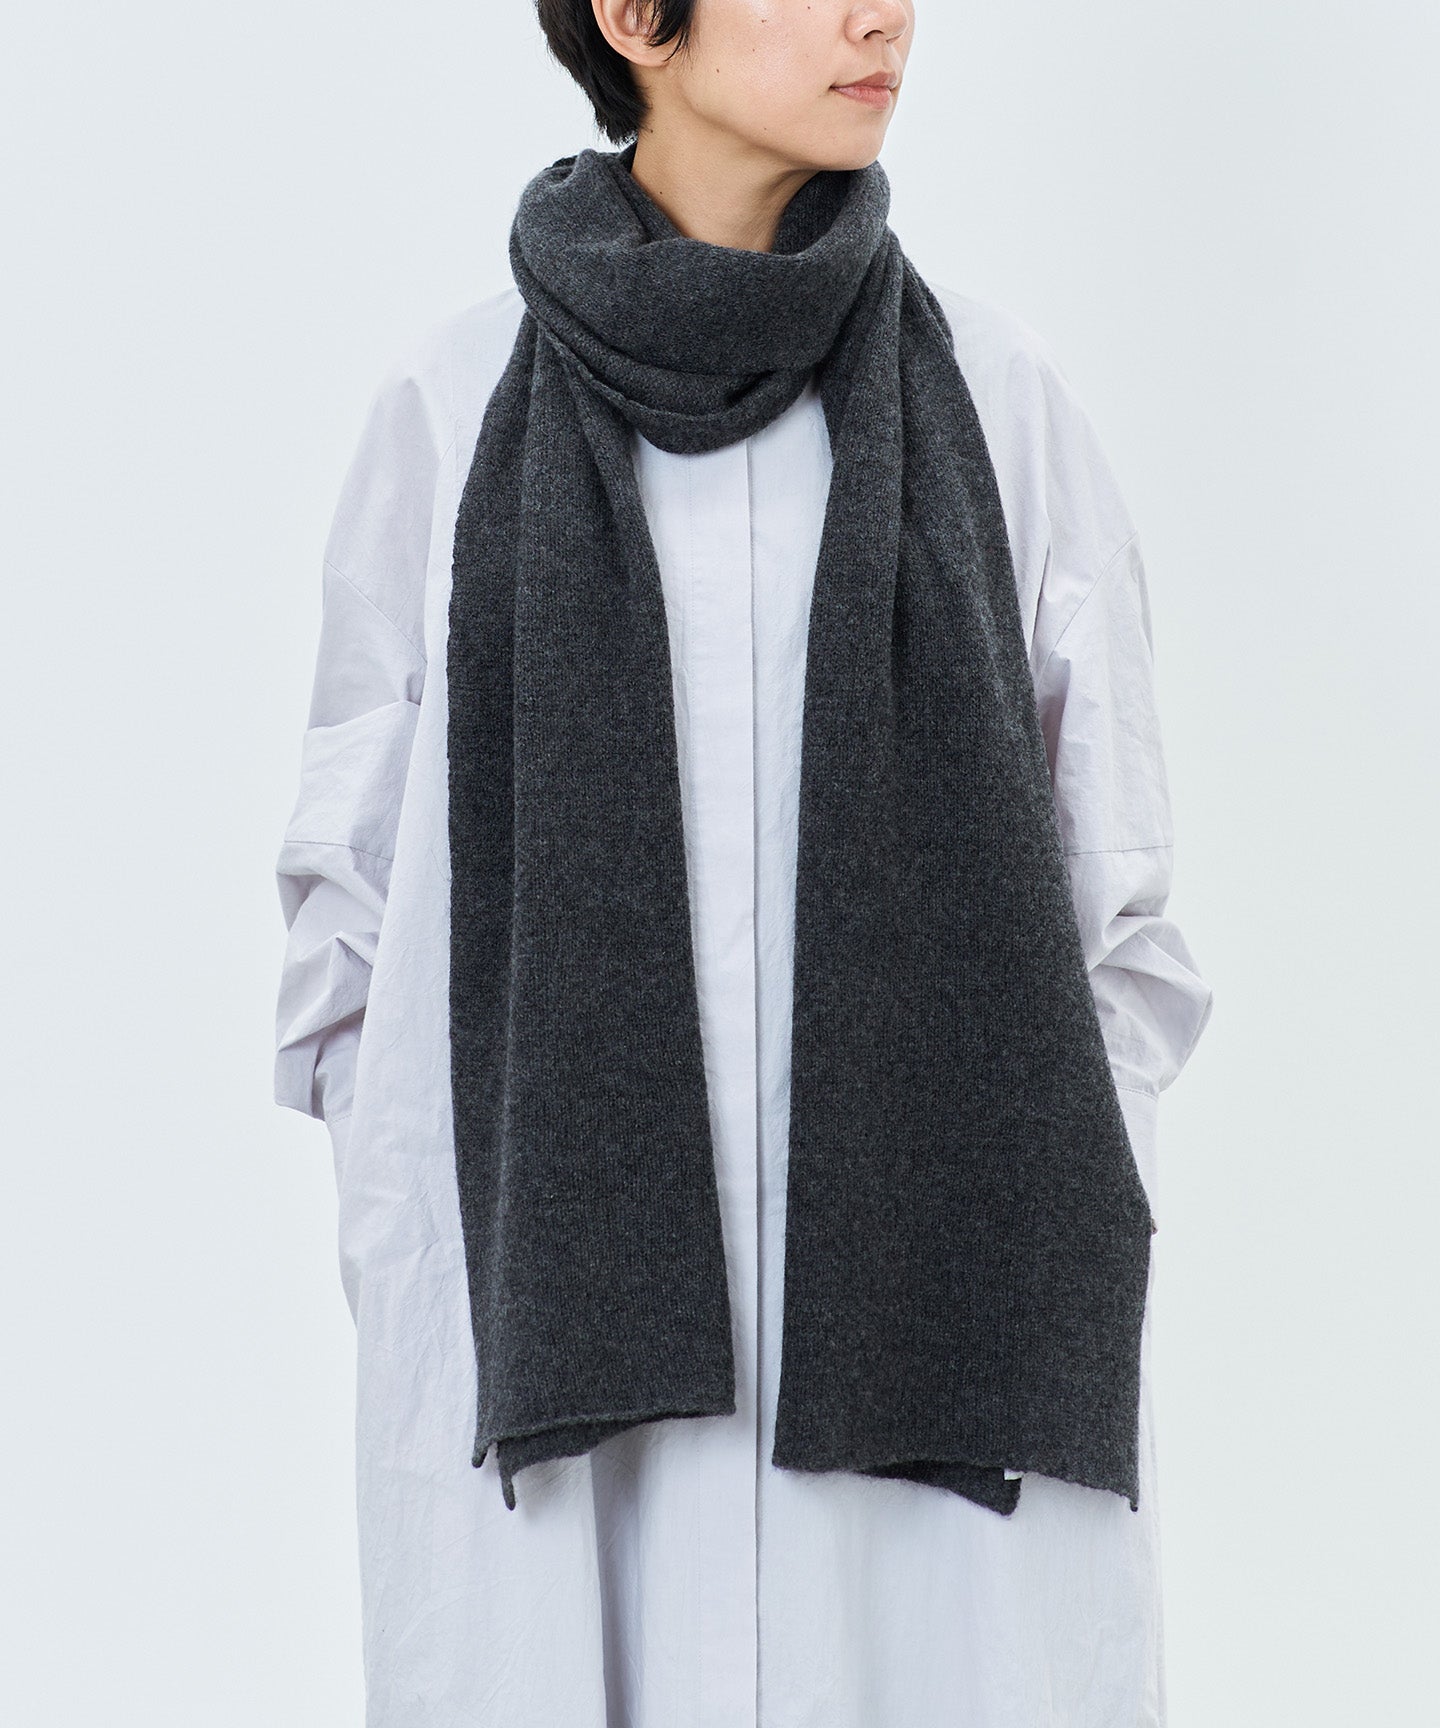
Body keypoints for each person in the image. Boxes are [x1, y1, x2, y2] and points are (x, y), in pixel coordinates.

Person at [271, 1, 1215, 1722]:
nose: (884, 14)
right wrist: (450, 1234)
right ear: (636, 17)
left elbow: (1122, 906)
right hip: (557, 1404)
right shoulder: (451, 411)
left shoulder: (999, 406)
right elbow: (348, 934)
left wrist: (1008, 1219)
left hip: (950, 1418)